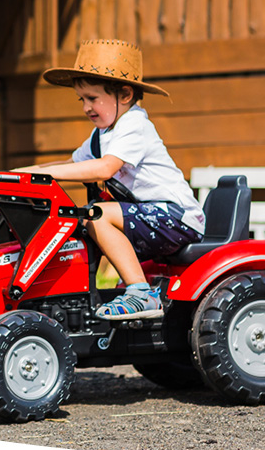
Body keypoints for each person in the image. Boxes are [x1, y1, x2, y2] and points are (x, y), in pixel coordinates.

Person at [14, 39, 204, 320]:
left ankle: (141, 294)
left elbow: (105, 169)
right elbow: (71, 165)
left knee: (97, 215)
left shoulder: (134, 124)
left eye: (92, 98)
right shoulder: (102, 135)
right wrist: (23, 174)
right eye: (81, 99)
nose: (86, 107)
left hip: (176, 218)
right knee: (80, 221)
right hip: (149, 216)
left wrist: (42, 174)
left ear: (124, 94)